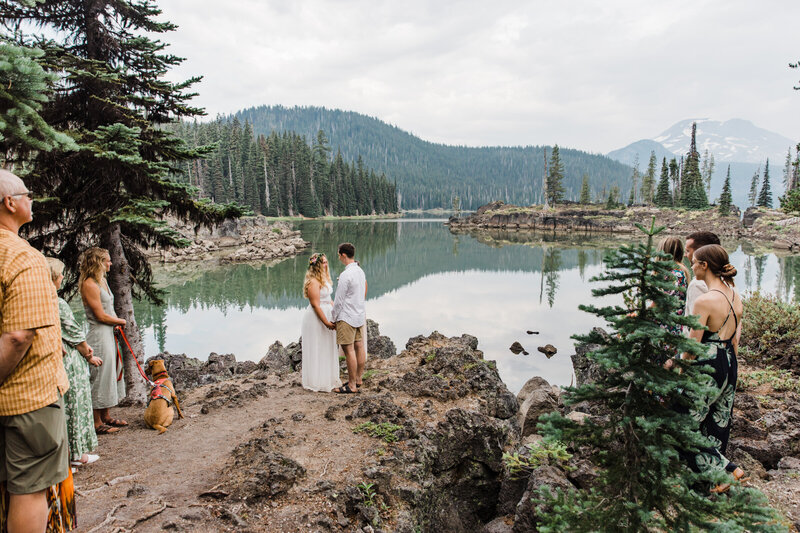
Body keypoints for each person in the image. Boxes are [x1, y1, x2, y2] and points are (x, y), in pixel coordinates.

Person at [0, 169, 70, 533]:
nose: (33, 200)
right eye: (27, 194)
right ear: (10, 203)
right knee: (28, 489)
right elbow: (17, 337)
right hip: (27, 400)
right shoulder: (21, 257)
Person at [682, 243, 745, 492]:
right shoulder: (734, 295)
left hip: (708, 363)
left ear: (705, 265)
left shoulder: (705, 301)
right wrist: (731, 371)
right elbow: (735, 339)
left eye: (694, 262)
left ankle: (728, 470)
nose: (691, 265)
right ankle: (707, 485)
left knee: (682, 423)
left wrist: (677, 370)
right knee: (716, 425)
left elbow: (692, 346)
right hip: (729, 362)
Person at [46, 257, 101, 467]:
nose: (62, 277)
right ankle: (77, 455)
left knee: (63, 408)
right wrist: (88, 354)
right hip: (69, 361)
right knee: (75, 405)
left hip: (54, 361)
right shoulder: (56, 302)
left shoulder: (39, 299)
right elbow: (74, 333)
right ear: (52, 277)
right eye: (59, 274)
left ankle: (66, 455)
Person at [79, 247, 127, 434]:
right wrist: (120, 321)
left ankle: (106, 415)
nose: (111, 263)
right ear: (98, 262)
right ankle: (96, 422)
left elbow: (108, 310)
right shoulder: (89, 284)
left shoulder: (102, 281)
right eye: (107, 260)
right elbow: (99, 315)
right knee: (99, 376)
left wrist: (115, 323)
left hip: (109, 332)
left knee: (111, 372)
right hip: (99, 335)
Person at [300, 253, 340, 392]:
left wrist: (336, 312)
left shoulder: (324, 278)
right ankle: (317, 381)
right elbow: (316, 305)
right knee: (317, 346)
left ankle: (328, 378)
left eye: (326, 261)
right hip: (316, 318)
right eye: (323, 262)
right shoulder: (313, 282)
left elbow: (328, 299)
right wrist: (327, 323)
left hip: (328, 314)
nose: (326, 264)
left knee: (327, 346)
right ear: (316, 265)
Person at [332, 243, 367, 394]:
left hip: (346, 317)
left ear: (343, 255)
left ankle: (351, 385)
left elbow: (339, 300)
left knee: (349, 351)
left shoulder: (346, 275)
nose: (339, 257)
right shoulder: (360, 271)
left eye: (339, 254)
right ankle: (358, 378)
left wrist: (333, 318)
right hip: (359, 315)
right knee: (359, 346)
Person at [683, 231, 720, 317]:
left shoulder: (697, 285)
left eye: (688, 251)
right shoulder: (728, 281)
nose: (685, 255)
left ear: (699, 253)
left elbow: (695, 323)